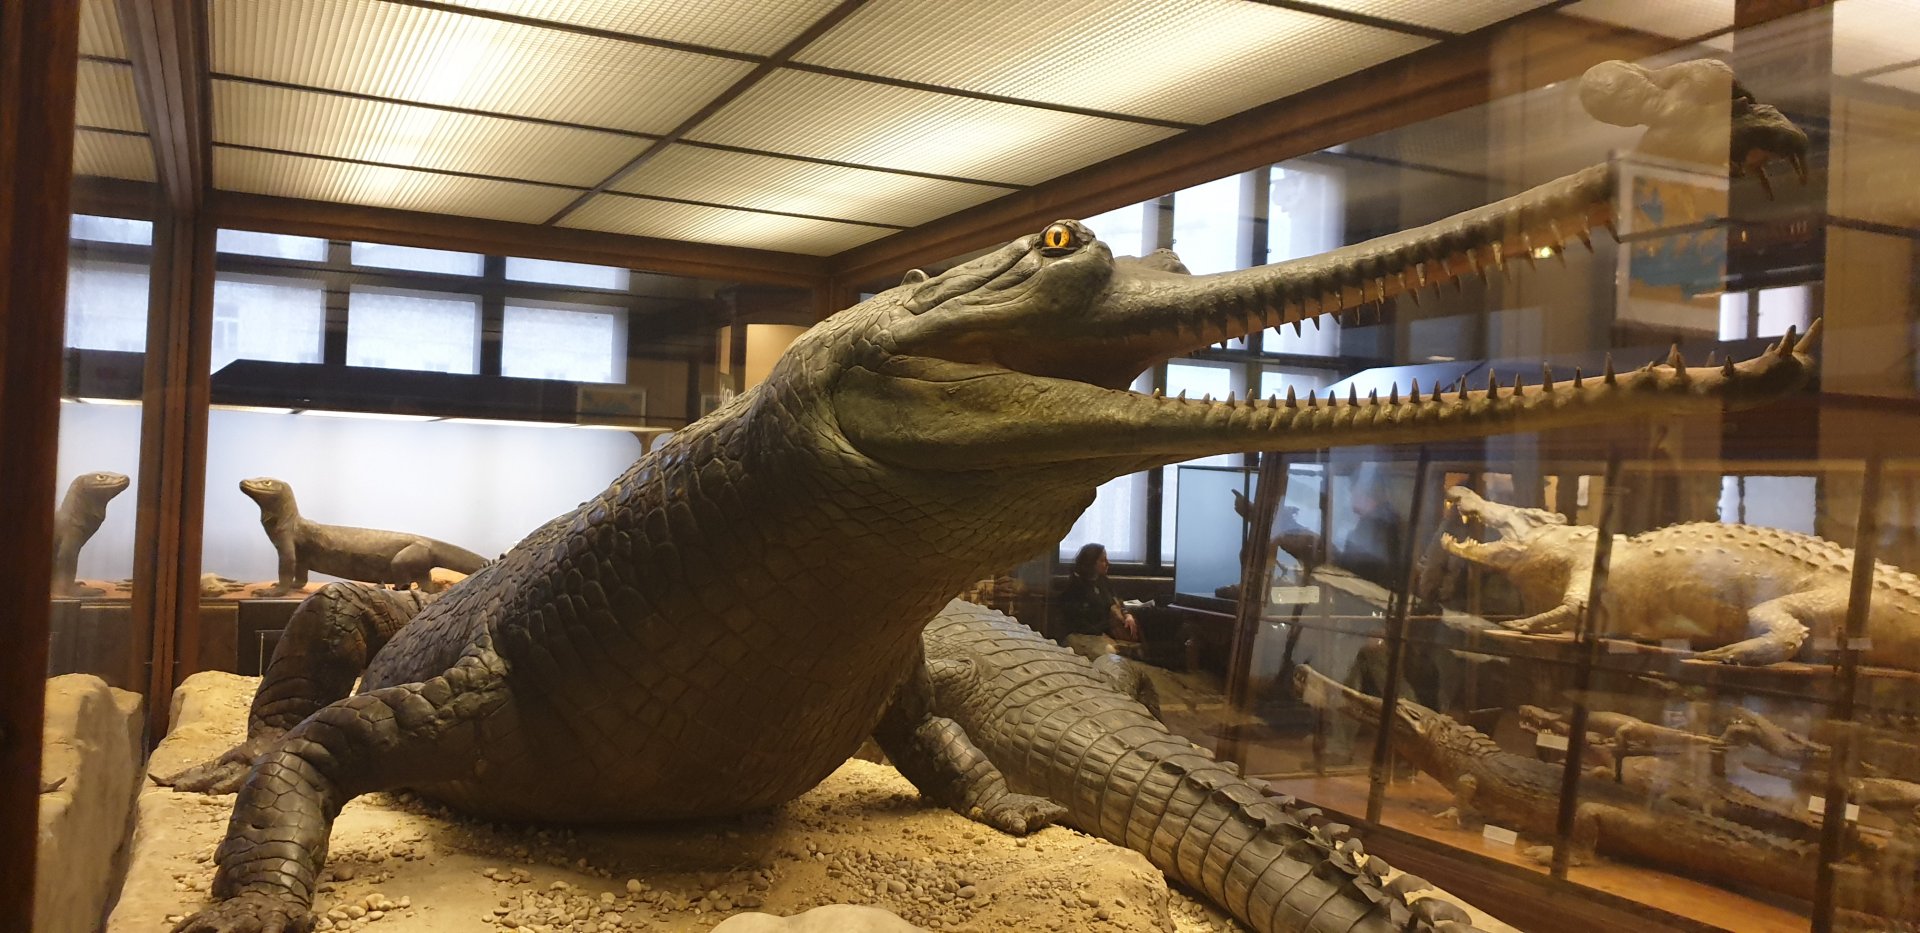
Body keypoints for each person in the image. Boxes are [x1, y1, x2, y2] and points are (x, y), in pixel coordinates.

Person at [1057, 543, 1139, 659]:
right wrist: (1105, 631)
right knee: (1112, 655)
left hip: (1103, 634)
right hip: (1081, 636)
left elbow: (1116, 601)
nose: (1107, 563)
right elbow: (1078, 622)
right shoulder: (1076, 586)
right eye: (1102, 560)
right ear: (1091, 563)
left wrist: (1127, 615)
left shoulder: (1103, 582)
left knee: (1134, 650)